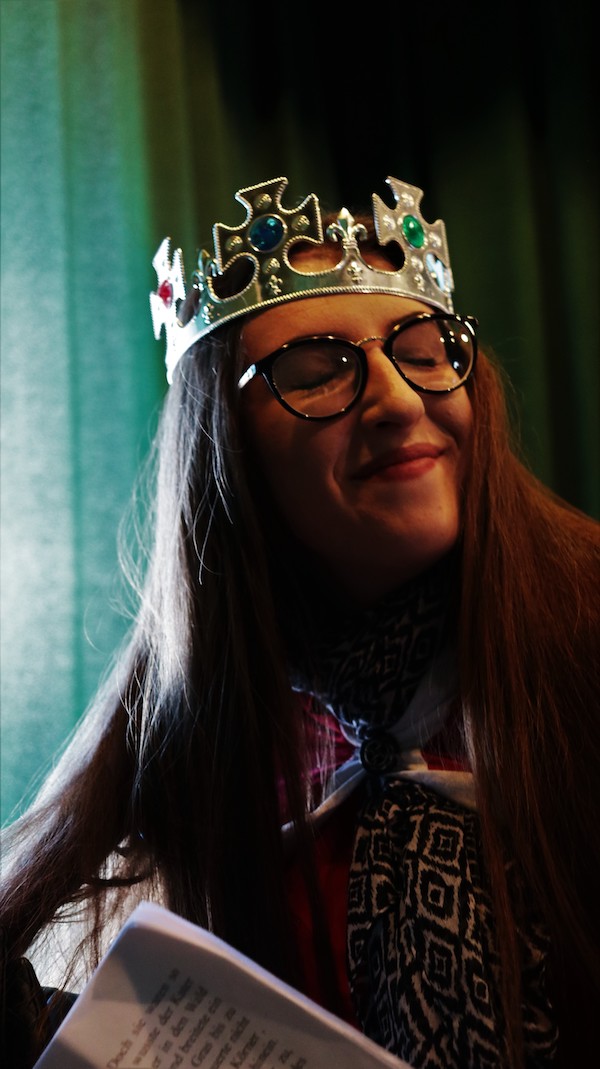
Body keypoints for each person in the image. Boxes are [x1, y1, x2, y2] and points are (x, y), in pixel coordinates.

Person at [1, 174, 598, 1069]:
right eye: (317, 372)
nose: (400, 401)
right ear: (227, 450)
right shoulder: (193, 739)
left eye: (425, 353)